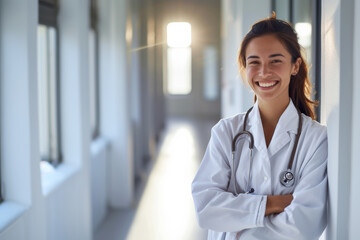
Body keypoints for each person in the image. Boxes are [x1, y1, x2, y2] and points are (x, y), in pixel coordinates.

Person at [191, 13, 327, 240]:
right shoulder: (226, 132)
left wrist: (238, 222)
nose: (264, 72)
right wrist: (273, 203)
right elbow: (205, 208)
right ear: (245, 67)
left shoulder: (315, 139)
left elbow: (303, 225)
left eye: (275, 60)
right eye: (254, 62)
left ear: (295, 66)